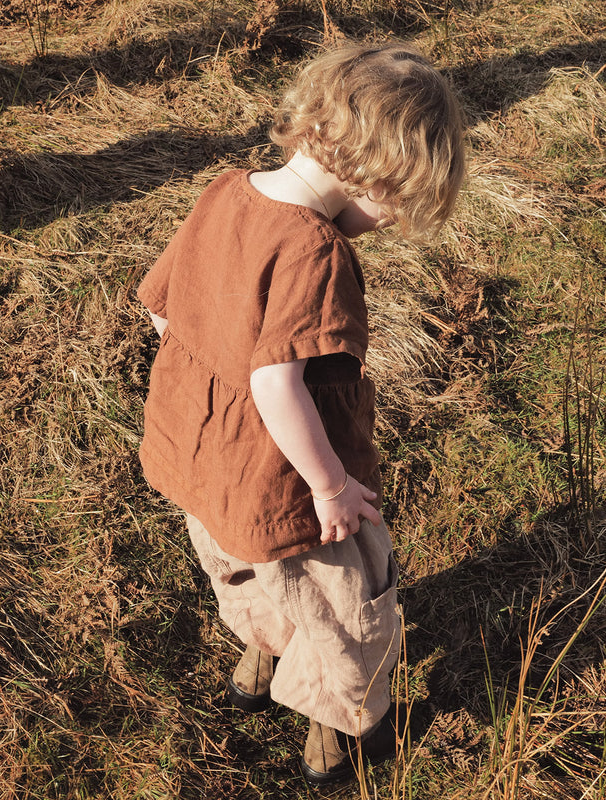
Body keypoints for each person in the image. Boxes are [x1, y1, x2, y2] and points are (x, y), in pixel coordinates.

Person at [136, 41, 465, 786]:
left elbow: (160, 309)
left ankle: (263, 652)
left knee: (238, 562)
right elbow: (278, 386)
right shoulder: (316, 251)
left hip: (203, 457)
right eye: (399, 205)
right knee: (345, 598)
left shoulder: (225, 190)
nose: (387, 224)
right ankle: (344, 721)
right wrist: (329, 487)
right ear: (374, 171)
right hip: (286, 481)